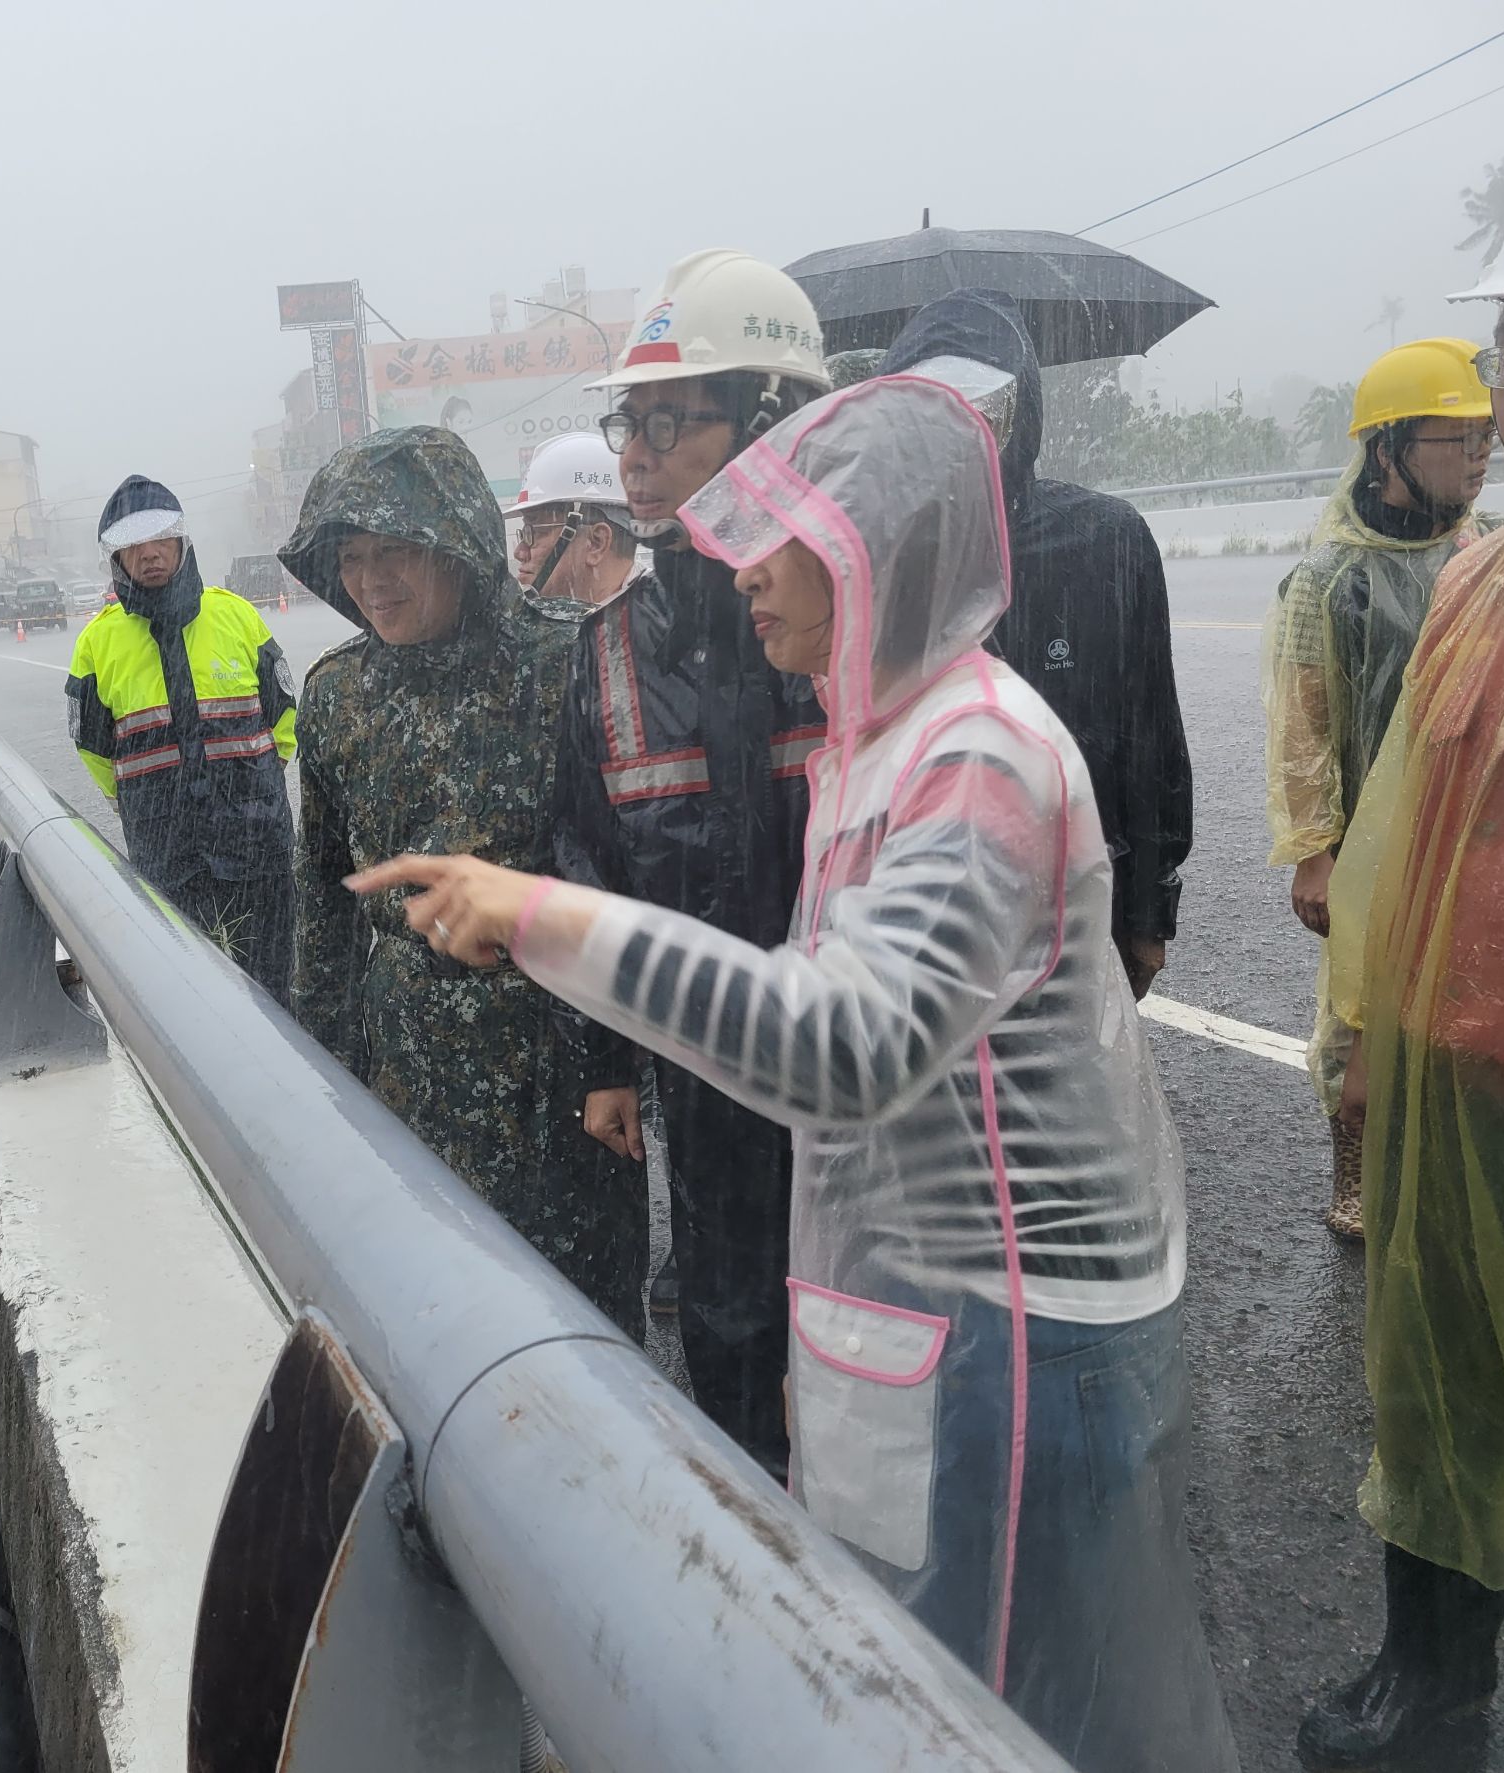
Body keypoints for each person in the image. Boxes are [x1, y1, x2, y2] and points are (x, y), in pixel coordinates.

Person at [352, 375, 1238, 1773]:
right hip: (915, 1324)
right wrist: (826, 1335)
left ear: (871, 551)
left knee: (995, 1721)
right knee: (917, 1682)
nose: (743, 575)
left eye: (781, 543)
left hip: (1015, 1330)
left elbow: (845, 1047)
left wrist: (545, 918)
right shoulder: (866, 744)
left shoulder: (976, 755)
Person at [1298, 185, 1504, 1770]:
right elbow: (1398, 833)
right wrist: (1365, 1039)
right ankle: (1430, 1678)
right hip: (1464, 1078)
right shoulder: (1480, 581)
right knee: (1445, 1384)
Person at [549, 248, 831, 1473]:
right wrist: (608, 1060)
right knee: (724, 1324)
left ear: (771, 421)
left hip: (861, 1071)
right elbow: (585, 863)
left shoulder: (855, 624)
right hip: (709, 1075)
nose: (634, 454)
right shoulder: (610, 651)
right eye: (629, 422)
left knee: (868, 1343)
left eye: (670, 420)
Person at [284, 426, 645, 1333]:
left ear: (456, 543)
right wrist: (321, 1079)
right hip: (407, 1082)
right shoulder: (336, 697)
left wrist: (621, 1065)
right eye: (353, 558)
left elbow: (623, 873)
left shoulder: (568, 664)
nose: (372, 581)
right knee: (439, 1325)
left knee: (586, 1337)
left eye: (396, 550)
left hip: (556, 1082)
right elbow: (327, 897)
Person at [878, 290, 1192, 1000]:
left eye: (987, 406)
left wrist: (1150, 912)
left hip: (1079, 906)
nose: (966, 430)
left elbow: (1150, 740)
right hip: (924, 921)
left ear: (1025, 412)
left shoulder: (1105, 539)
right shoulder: (880, 556)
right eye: (936, 408)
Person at [1261, 340, 1494, 1240]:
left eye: (1485, 437)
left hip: (1469, 831)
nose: (1480, 458)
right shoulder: (1329, 580)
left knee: (1462, 1011)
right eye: (1457, 437)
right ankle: (1353, 1162)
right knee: (1358, 1015)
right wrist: (1315, 853)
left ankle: (1444, 1162)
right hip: (1369, 844)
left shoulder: (1484, 557)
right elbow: (1302, 726)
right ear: (1389, 447)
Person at [66, 475, 297, 1000]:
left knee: (273, 985)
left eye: (160, 540)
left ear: (181, 542)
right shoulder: (97, 643)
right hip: (165, 851)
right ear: (117, 557)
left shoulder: (235, 615)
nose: (150, 555)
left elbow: (283, 712)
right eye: (134, 546)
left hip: (256, 841)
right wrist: (134, 799)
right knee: (188, 992)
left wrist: (260, 780)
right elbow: (93, 746)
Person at [502, 432, 638, 605]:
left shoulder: (665, 626)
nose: (519, 552)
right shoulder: (648, 620)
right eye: (523, 534)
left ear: (596, 543)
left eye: (534, 533)